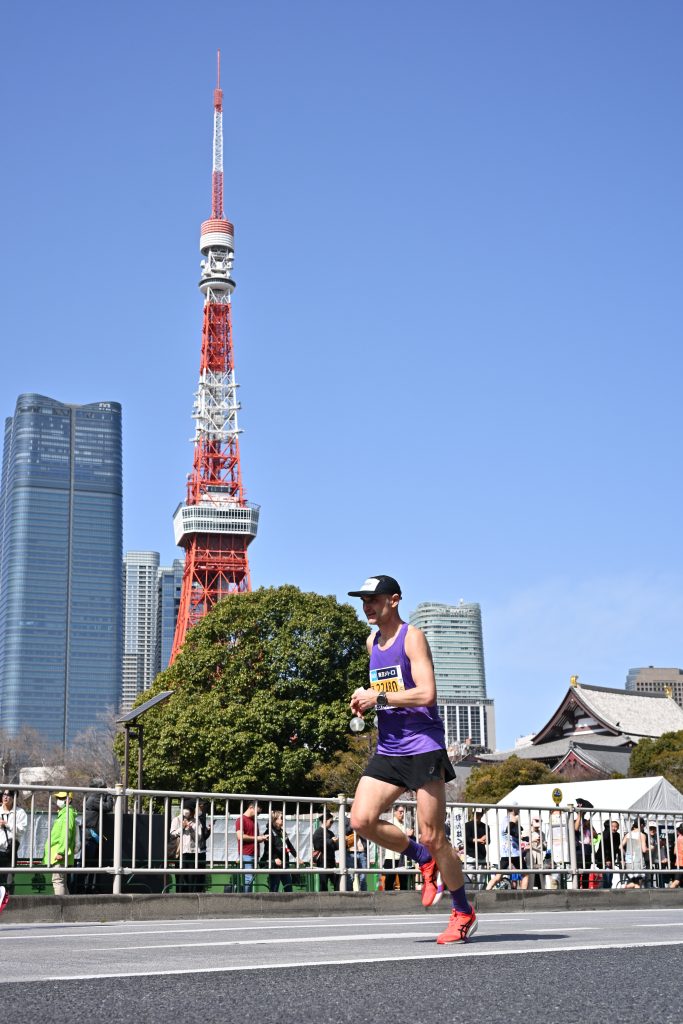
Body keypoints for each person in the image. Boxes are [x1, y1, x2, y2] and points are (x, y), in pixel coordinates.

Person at [348, 575, 477, 944]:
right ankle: (421, 857)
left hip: (422, 745)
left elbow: (426, 693)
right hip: (389, 747)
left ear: (394, 600)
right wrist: (365, 698)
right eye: (364, 601)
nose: (368, 606)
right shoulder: (372, 642)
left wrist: (378, 698)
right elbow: (386, 689)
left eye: (374, 599)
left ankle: (463, 911)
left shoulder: (413, 637)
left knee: (434, 835)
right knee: (361, 819)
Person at [79, 779, 114, 894]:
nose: (105, 790)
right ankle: (81, 888)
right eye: (103, 788)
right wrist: (109, 794)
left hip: (93, 835)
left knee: (93, 864)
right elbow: (108, 807)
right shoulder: (94, 799)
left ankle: (90, 887)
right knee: (87, 864)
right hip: (90, 836)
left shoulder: (93, 797)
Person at [43, 791, 77, 895]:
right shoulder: (64, 813)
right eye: (58, 798)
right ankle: (66, 904)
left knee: (58, 881)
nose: (58, 800)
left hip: (59, 854)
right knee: (62, 882)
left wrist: (61, 852)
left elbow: (66, 834)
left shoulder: (67, 814)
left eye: (61, 798)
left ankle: (59, 904)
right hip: (59, 853)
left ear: (69, 800)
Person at [486, 808, 525, 890]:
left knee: (498, 876)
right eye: (518, 809)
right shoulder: (510, 819)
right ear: (514, 810)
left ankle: (487, 890)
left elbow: (515, 833)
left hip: (508, 853)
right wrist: (514, 821)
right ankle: (524, 895)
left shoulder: (506, 820)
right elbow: (508, 829)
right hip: (513, 853)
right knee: (525, 874)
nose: (519, 811)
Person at [235, 801, 269, 894]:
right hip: (246, 854)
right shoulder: (241, 820)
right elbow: (240, 836)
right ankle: (247, 898)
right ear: (251, 808)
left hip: (254, 854)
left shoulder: (254, 821)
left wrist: (262, 838)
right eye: (257, 812)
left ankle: (247, 897)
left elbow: (254, 838)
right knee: (248, 879)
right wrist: (258, 838)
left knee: (250, 878)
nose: (258, 814)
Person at [0, 788, 28, 893]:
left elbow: (22, 830)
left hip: (10, 852)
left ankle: (10, 901)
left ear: (14, 797)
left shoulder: (20, 812)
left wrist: (7, 824)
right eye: (4, 794)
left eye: (8, 795)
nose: (5, 797)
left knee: (8, 882)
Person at [264, 810, 298, 892]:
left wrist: (296, 856)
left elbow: (289, 845)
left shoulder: (282, 832)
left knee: (288, 887)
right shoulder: (269, 831)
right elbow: (268, 848)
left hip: (284, 863)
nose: (283, 820)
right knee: (274, 888)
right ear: (275, 819)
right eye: (281, 818)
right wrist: (275, 858)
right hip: (275, 865)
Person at [382, 805, 413, 891]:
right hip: (391, 856)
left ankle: (403, 898)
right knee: (389, 881)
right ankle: (387, 898)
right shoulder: (390, 823)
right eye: (400, 812)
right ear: (395, 812)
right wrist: (405, 835)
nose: (402, 814)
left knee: (404, 882)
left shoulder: (405, 824)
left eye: (403, 812)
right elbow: (390, 837)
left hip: (403, 856)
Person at [170, 805, 198, 893]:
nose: (188, 812)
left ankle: (191, 897)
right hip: (180, 853)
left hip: (192, 853)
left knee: (191, 879)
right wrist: (182, 827)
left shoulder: (195, 821)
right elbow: (172, 834)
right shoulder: (177, 820)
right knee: (180, 878)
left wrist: (191, 829)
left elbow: (198, 838)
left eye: (190, 809)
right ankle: (179, 896)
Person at [312, 810, 339, 892]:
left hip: (331, 860)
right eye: (331, 822)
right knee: (323, 882)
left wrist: (340, 843)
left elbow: (335, 847)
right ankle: (323, 898)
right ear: (325, 821)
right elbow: (318, 846)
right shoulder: (318, 832)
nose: (332, 824)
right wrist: (331, 841)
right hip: (322, 860)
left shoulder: (330, 833)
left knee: (336, 881)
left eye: (333, 822)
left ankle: (338, 896)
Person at [464, 810, 490, 889]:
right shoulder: (467, 825)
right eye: (475, 814)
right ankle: (469, 895)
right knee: (469, 879)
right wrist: (479, 840)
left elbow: (488, 841)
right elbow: (467, 838)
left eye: (479, 814)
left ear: (482, 815)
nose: (477, 816)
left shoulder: (486, 826)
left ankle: (479, 895)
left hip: (481, 855)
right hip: (470, 855)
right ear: (473, 814)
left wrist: (485, 840)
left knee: (480, 881)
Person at [622, 817, 648, 888]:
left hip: (629, 860)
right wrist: (650, 848)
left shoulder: (628, 834)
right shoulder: (642, 835)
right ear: (642, 825)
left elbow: (620, 847)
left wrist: (626, 854)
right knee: (638, 881)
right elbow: (644, 850)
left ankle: (626, 886)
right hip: (638, 860)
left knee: (635, 882)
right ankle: (625, 886)